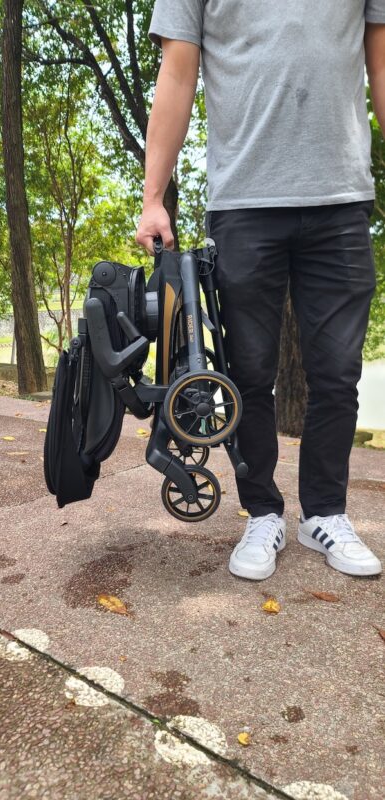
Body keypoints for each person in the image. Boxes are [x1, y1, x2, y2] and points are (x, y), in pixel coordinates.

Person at [136, 0, 385, 581]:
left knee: (337, 373)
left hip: (341, 199)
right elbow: (177, 71)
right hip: (244, 202)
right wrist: (154, 195)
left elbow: (381, 64)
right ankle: (262, 513)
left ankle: (324, 513)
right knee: (249, 374)